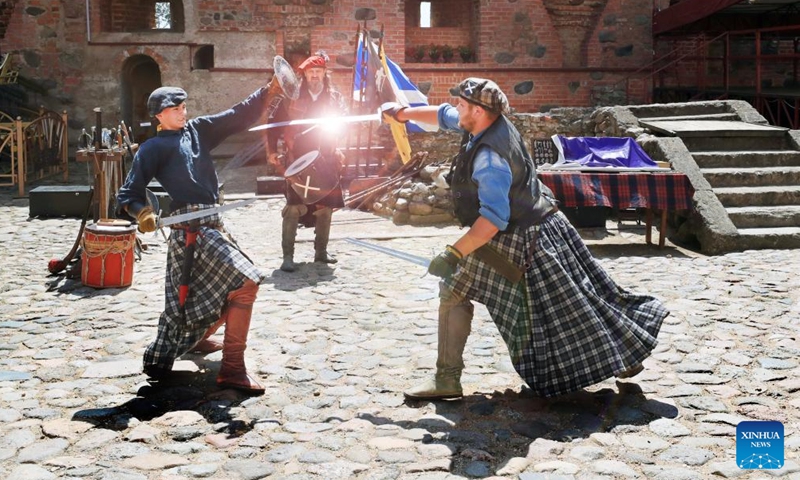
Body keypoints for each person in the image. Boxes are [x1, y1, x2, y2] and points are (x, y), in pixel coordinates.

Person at [381, 78, 668, 400]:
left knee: (454, 287)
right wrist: (403, 113)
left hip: (521, 237)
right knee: (577, 300)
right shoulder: (487, 122)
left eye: (462, 104)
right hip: (546, 221)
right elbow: (444, 114)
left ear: (477, 110)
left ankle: (447, 379)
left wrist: (452, 253)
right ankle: (625, 356)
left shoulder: (490, 160)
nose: (456, 109)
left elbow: (492, 219)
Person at [117, 83, 274, 394]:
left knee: (213, 290)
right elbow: (129, 194)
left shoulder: (198, 130)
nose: (183, 113)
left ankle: (199, 339)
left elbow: (237, 115)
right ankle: (232, 369)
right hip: (189, 233)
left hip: (213, 223)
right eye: (175, 110)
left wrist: (271, 88)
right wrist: (143, 214)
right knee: (246, 282)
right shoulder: (152, 149)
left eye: (184, 107)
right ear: (159, 116)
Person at [267, 51, 348, 272]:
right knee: (293, 207)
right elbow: (272, 124)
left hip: (327, 158)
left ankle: (321, 253)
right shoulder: (290, 98)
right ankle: (288, 257)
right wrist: (273, 150)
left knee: (325, 207)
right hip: (298, 160)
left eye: (318, 72)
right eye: (310, 72)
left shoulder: (334, 98)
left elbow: (343, 122)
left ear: (324, 74)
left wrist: (340, 142)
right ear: (304, 75)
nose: (314, 76)